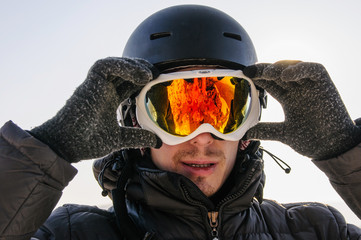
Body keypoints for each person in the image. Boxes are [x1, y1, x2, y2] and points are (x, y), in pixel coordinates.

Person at [1, 4, 361, 240]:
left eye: (224, 109)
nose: (203, 139)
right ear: (135, 125)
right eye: (177, 112)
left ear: (251, 125)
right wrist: (52, 148)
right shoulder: (67, 234)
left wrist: (345, 151)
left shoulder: (318, 230)